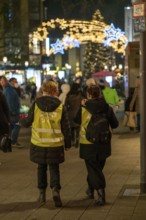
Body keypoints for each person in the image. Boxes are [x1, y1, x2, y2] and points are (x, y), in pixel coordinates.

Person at [20, 80, 71, 207]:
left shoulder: (36, 104)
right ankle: (55, 191)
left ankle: (42, 194)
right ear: (55, 91)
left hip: (39, 142)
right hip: (55, 144)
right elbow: (66, 126)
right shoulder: (60, 106)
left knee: (41, 168)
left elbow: (28, 121)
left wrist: (20, 122)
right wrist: (68, 143)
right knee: (54, 168)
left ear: (43, 90)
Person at [75, 85, 118, 206]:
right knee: (96, 168)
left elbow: (76, 120)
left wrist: (82, 106)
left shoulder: (84, 107)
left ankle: (101, 194)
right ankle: (90, 190)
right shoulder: (107, 108)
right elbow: (115, 124)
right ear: (99, 94)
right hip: (104, 144)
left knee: (94, 169)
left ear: (88, 95)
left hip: (88, 144)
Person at [0, 76, 21, 148]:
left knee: (11, 127)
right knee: (17, 126)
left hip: (11, 113)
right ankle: (13, 141)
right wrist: (13, 112)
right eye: (14, 81)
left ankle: (9, 141)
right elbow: (10, 103)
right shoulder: (9, 91)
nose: (16, 83)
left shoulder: (8, 89)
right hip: (13, 113)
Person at [65, 82, 83, 147]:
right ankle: (77, 140)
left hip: (70, 113)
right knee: (78, 128)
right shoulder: (80, 95)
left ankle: (73, 140)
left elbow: (66, 105)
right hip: (78, 113)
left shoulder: (68, 95)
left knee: (72, 128)